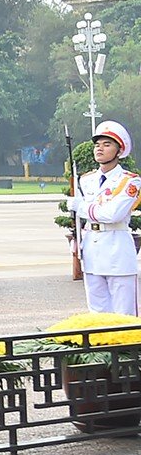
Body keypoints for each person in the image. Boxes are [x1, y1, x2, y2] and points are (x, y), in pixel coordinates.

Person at [70, 121, 140, 317]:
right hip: (92, 249)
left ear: (119, 151)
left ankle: (126, 349)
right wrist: (78, 240)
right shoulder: (85, 179)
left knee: (124, 315)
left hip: (117, 248)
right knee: (97, 313)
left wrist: (81, 207)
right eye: (97, 144)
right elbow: (82, 219)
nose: (99, 148)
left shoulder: (130, 181)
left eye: (107, 144)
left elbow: (113, 214)